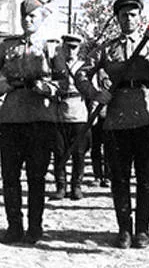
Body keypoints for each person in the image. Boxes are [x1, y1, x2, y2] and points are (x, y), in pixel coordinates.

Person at [75, 0, 149, 249]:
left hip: (147, 116)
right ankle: (124, 229)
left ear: (140, 18)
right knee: (119, 178)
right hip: (117, 119)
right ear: (117, 19)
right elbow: (81, 73)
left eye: (133, 15)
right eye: (124, 15)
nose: (128, 19)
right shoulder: (107, 48)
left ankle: (143, 230)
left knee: (147, 178)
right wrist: (95, 93)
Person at [0, 0, 58, 245]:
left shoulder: (51, 47)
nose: (28, 20)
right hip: (11, 118)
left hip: (40, 119)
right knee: (10, 176)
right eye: (24, 16)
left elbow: (64, 81)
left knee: (37, 177)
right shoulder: (7, 46)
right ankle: (14, 227)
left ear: (41, 18)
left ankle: (35, 227)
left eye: (33, 16)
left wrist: (47, 88)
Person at [50, 34, 90, 201]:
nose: (70, 51)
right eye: (67, 47)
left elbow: (92, 90)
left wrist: (92, 116)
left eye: (74, 47)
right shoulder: (55, 66)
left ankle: (76, 186)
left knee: (79, 154)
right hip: (60, 113)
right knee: (59, 152)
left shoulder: (85, 66)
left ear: (79, 49)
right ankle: (61, 186)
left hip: (79, 113)